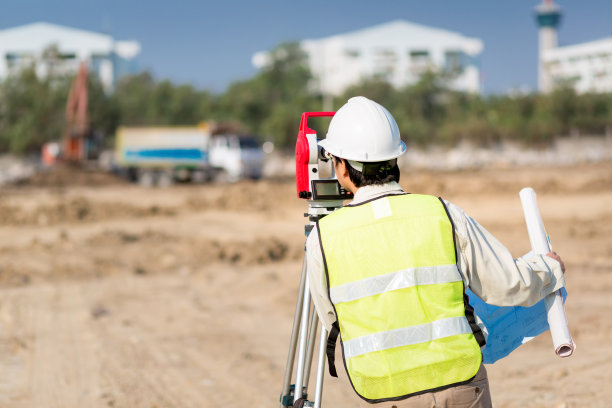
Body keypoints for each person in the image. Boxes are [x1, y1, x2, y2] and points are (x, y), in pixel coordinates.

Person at [305, 96, 566, 408]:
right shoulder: (441, 213)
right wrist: (547, 269)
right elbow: (508, 284)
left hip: (386, 395)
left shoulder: (323, 237)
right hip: (459, 386)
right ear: (395, 159)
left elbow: (333, 320)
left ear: (341, 166)